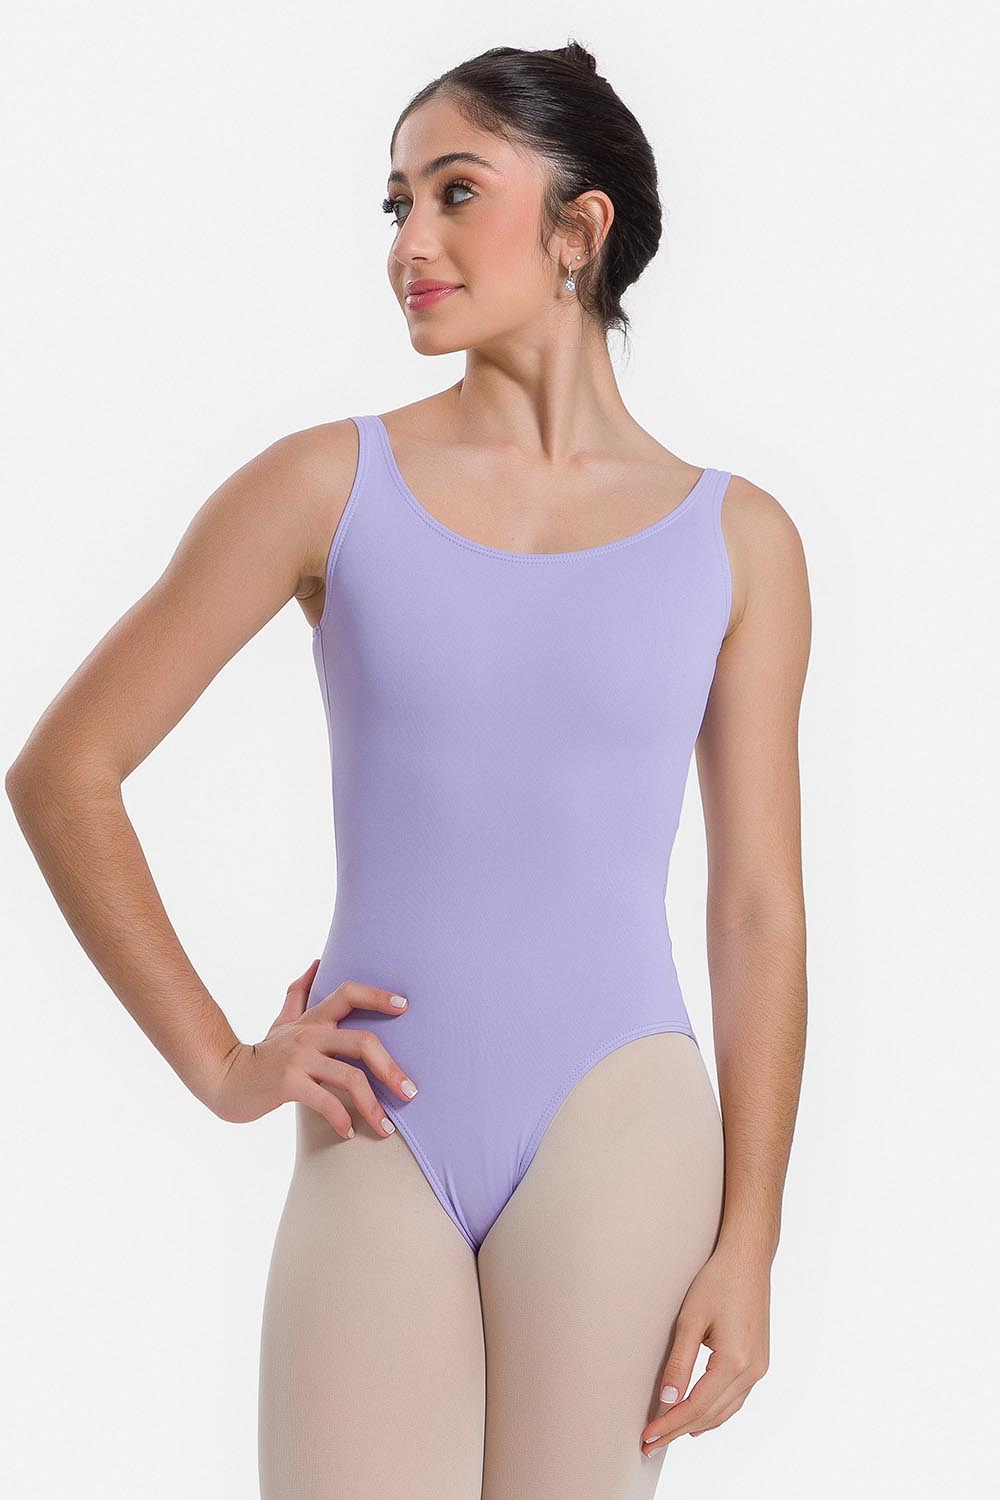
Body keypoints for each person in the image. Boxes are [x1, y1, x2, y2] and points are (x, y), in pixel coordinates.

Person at [5, 39, 811, 1500]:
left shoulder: (738, 540)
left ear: (578, 229)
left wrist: (750, 1240)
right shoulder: (326, 485)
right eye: (395, 203)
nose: (409, 243)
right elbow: (65, 772)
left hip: (622, 1120)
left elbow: (757, 911)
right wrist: (223, 1065)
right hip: (379, 1113)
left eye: (455, 193)